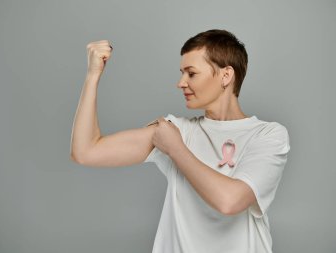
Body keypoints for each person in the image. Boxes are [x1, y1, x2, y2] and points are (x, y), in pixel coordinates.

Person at [70, 29, 291, 253]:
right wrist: (92, 76)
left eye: (191, 73)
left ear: (226, 76)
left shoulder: (268, 134)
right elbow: (86, 151)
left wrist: (176, 149)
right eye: (181, 73)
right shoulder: (176, 130)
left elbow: (230, 201)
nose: (181, 83)